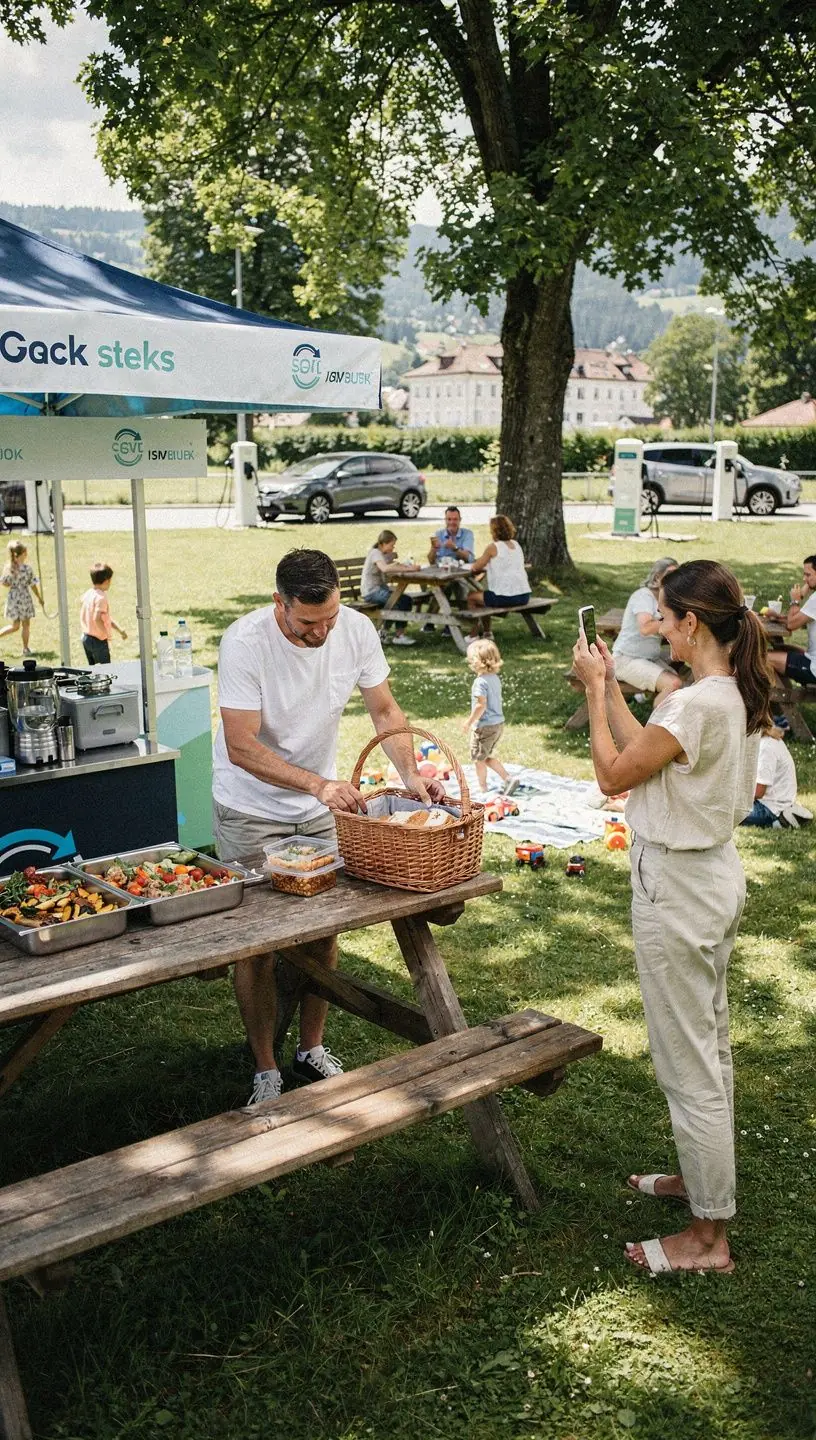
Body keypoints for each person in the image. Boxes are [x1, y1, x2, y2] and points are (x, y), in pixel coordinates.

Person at [572, 559, 771, 1276]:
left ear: (692, 624)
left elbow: (610, 773)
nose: (655, 624)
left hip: (680, 890)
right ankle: (703, 1179)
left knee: (687, 1061)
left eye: (663, 615)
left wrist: (597, 693)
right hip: (711, 878)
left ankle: (708, 1238)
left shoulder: (695, 704)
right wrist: (614, 690)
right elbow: (648, 750)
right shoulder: (729, 691)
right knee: (707, 1044)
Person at [213, 548, 447, 1107]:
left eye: (330, 618)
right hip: (251, 810)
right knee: (257, 948)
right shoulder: (244, 643)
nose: (322, 632)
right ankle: (265, 1067)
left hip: (318, 809)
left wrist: (410, 773)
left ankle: (309, 1049)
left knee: (323, 933)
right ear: (279, 603)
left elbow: (386, 712)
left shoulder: (356, 630)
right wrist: (318, 785)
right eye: (308, 623)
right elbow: (241, 747)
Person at [612, 557, 684, 704]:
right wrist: (672, 620)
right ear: (657, 577)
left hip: (648, 658)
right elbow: (645, 628)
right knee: (673, 684)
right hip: (627, 659)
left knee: (680, 684)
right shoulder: (643, 595)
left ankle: (665, 719)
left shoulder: (666, 600)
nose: (674, 580)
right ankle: (655, 726)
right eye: (670, 575)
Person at [467, 514, 530, 636]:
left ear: (494, 531)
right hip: (524, 596)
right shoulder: (516, 545)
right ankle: (487, 632)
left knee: (472, 597)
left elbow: (476, 567)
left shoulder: (493, 547)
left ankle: (473, 635)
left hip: (505, 597)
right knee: (484, 595)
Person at [740, 722, 811, 828]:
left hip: (769, 807)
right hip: (776, 802)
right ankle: (785, 818)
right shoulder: (767, 740)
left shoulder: (766, 747)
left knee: (726, 812)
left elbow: (758, 792)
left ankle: (778, 821)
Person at [463, 638, 508, 792]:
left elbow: (481, 705)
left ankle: (483, 788)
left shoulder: (480, 682)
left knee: (478, 758)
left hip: (485, 726)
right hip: (498, 724)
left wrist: (469, 722)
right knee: (485, 757)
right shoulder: (494, 678)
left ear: (477, 661)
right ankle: (508, 778)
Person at [361, 529, 417, 646]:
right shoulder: (375, 553)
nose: (393, 548)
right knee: (398, 601)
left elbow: (391, 565)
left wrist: (402, 566)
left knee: (405, 600)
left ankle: (390, 633)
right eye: (392, 545)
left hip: (379, 590)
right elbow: (385, 568)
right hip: (371, 592)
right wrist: (408, 569)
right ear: (383, 544)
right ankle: (394, 635)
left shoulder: (380, 554)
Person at [768, 554, 816, 686]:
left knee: (761, 658)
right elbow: (799, 619)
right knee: (781, 648)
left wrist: (795, 600)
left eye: (808, 575)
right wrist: (780, 618)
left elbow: (791, 624)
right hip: (811, 658)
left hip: (813, 668)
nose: (804, 579)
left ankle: (765, 700)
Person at [79, 562, 128, 665]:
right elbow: (97, 618)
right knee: (105, 671)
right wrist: (104, 635)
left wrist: (120, 630)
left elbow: (105, 617)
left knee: (93, 671)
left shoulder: (89, 593)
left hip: (86, 637)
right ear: (106, 581)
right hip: (98, 640)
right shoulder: (101, 598)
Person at [0, 540, 43, 656]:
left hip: (13, 598)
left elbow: (4, 583)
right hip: (24, 598)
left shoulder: (9, 568)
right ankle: (25, 648)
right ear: (23, 553)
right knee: (26, 625)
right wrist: (39, 597)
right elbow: (32, 584)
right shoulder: (27, 569)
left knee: (15, 626)